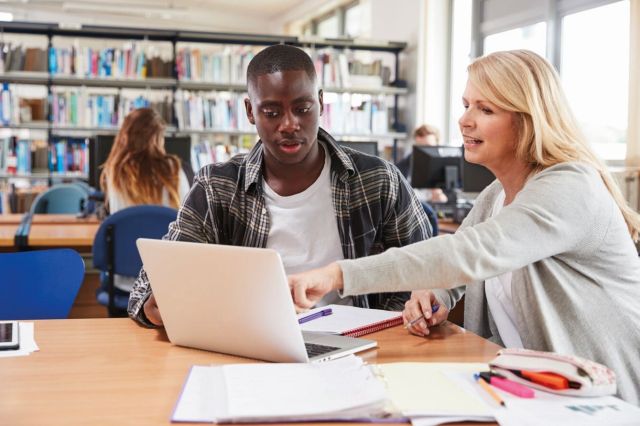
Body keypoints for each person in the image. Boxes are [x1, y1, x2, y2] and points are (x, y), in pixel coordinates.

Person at [288, 50, 640, 405]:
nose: (464, 120)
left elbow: (469, 253)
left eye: (485, 110)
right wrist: (436, 295)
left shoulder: (570, 186)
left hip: (602, 401)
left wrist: (337, 275)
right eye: (466, 104)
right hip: (529, 390)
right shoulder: (496, 196)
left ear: (529, 121)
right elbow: (456, 269)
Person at [128, 44, 432, 327]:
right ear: (250, 111)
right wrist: (159, 303)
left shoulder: (379, 180)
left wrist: (380, 325)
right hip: (249, 342)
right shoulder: (217, 186)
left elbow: (426, 269)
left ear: (321, 103)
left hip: (361, 344)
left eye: (302, 109)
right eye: (272, 113)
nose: (289, 124)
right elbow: (146, 287)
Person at [100, 107, 191, 293]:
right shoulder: (175, 170)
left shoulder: (114, 172)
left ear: (125, 136)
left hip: (124, 282)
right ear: (158, 138)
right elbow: (188, 224)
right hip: (167, 282)